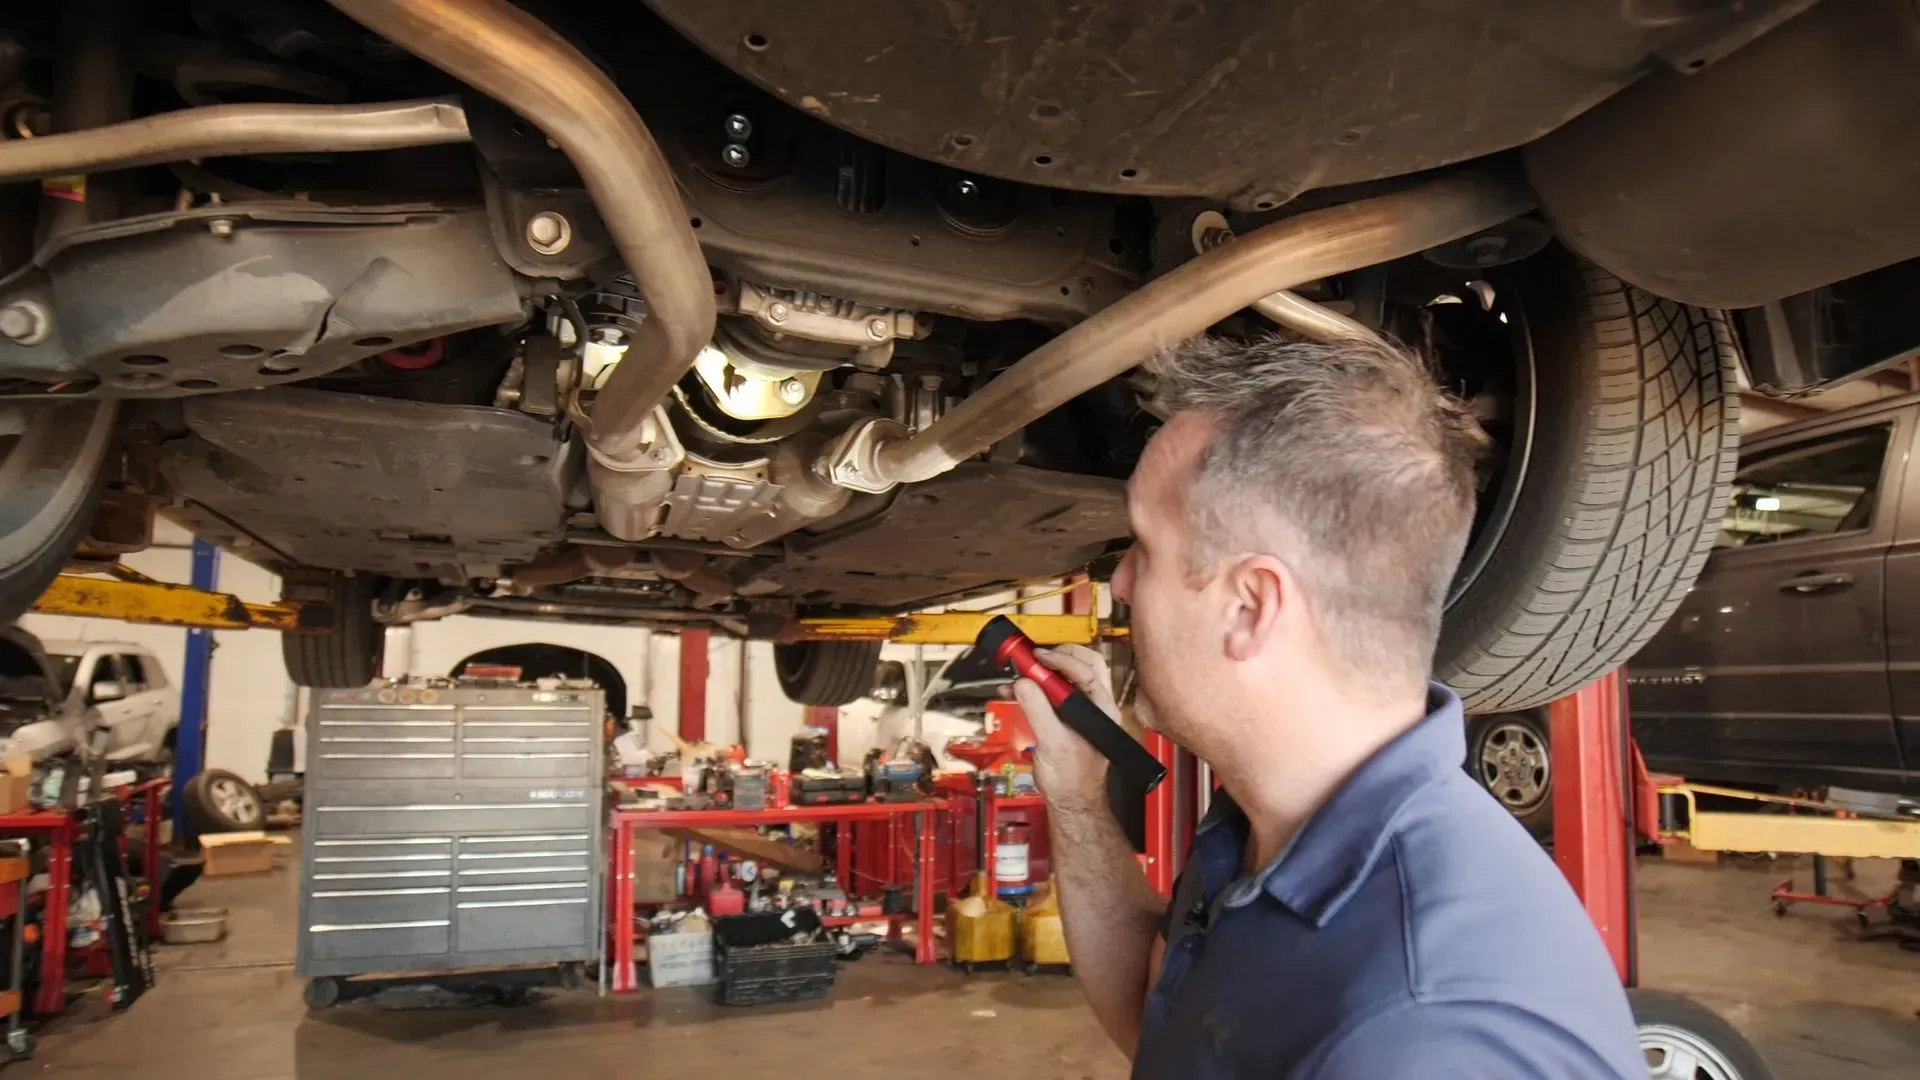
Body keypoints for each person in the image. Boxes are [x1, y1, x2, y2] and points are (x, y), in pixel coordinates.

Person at [1011, 335, 1644, 1078]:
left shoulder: (1433, 1033)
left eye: (1144, 548)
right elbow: (1164, 1026)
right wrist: (1080, 799)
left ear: (1251, 608)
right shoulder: (1273, 825)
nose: (1118, 584)